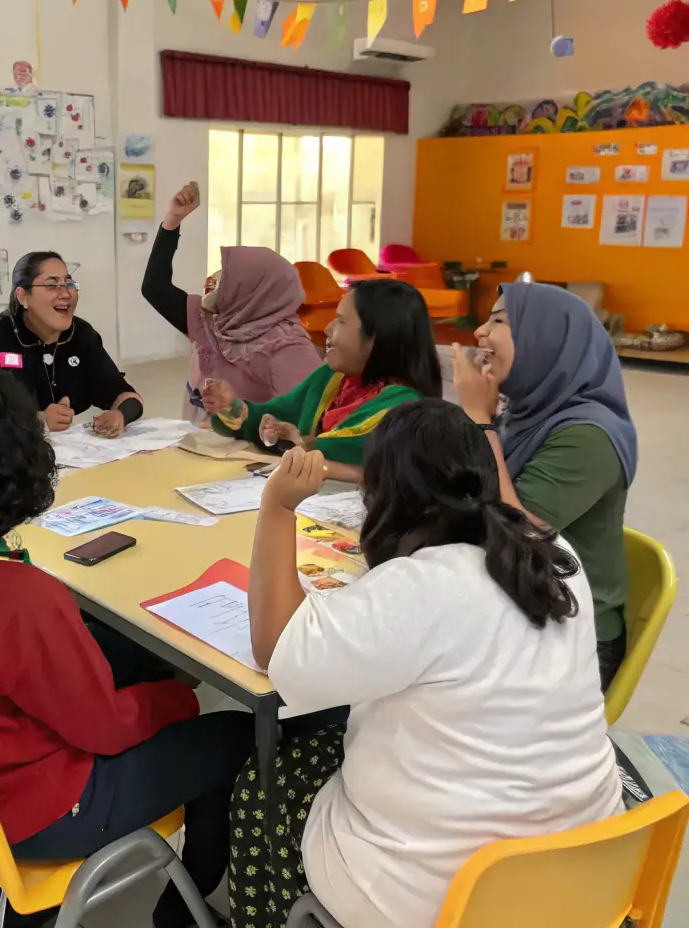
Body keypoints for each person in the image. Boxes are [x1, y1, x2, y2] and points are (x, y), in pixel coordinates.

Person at [0, 195, 254, 928]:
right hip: (44, 807)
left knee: (127, 648)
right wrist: (180, 697)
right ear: (22, 476)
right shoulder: (20, 596)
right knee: (228, 732)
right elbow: (103, 728)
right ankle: (191, 899)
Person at [229, 404, 622, 928]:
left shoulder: (415, 589)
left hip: (446, 912)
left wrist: (277, 509)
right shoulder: (554, 556)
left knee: (264, 785)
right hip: (589, 882)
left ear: (385, 497)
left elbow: (277, 650)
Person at [453, 282, 637, 690]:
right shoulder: (525, 412)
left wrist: (478, 419)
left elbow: (518, 530)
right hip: (516, 598)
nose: (480, 332)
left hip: (571, 634)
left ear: (547, 340)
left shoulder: (590, 434)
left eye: (498, 321)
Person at [203, 277, 441, 480]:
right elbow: (277, 413)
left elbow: (347, 447)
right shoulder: (332, 377)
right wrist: (233, 408)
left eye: (340, 320)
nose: (327, 329)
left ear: (376, 336)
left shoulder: (405, 406)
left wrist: (296, 441)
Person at [141, 182, 318, 423]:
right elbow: (154, 287)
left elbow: (300, 422)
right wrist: (173, 220)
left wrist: (236, 411)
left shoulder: (288, 349)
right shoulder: (214, 321)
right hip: (201, 436)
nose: (213, 280)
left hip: (245, 451)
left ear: (255, 292)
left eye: (226, 277)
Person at [0, 251, 144, 435]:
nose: (66, 293)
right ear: (23, 296)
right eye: (52, 285)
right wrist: (37, 421)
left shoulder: (82, 335)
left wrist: (119, 415)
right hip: (9, 455)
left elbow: (126, 394)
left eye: (69, 284)